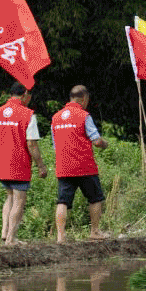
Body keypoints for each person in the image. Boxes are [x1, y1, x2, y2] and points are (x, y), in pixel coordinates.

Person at [52, 85, 111, 242]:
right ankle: (95, 231)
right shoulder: (84, 116)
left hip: (64, 167)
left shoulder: (56, 118)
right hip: (85, 166)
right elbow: (96, 141)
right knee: (95, 198)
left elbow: (55, 145)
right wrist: (105, 143)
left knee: (63, 201)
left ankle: (60, 236)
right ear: (84, 99)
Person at [0, 82, 43, 245]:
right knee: (19, 200)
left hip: (1, 164)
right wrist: (41, 165)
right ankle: (11, 239)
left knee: (10, 196)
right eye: (29, 96)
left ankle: (5, 232)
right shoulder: (28, 114)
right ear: (25, 94)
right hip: (19, 164)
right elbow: (32, 144)